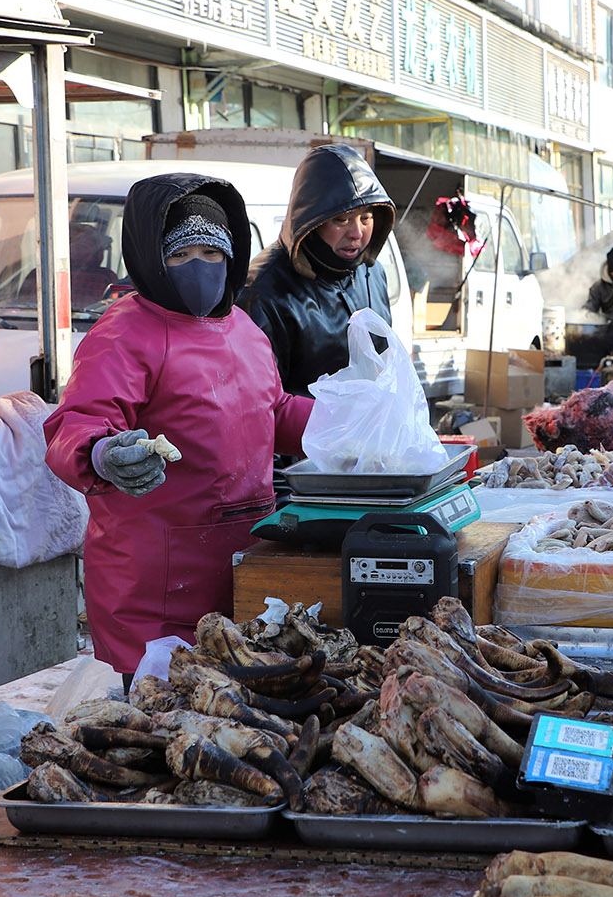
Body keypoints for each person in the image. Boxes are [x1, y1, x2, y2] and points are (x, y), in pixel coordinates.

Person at [44, 172, 312, 681]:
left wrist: (342, 424)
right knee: (164, 715)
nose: (199, 268)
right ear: (152, 259)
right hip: (156, 583)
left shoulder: (242, 328)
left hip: (244, 557)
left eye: (211, 254)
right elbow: (75, 425)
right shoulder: (125, 332)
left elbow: (271, 411)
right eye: (180, 255)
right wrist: (102, 454)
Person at [241, 143, 397, 396]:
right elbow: (259, 397)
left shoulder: (372, 272)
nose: (356, 233)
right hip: (305, 422)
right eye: (341, 219)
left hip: (371, 419)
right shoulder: (263, 288)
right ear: (312, 221)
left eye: (366, 218)